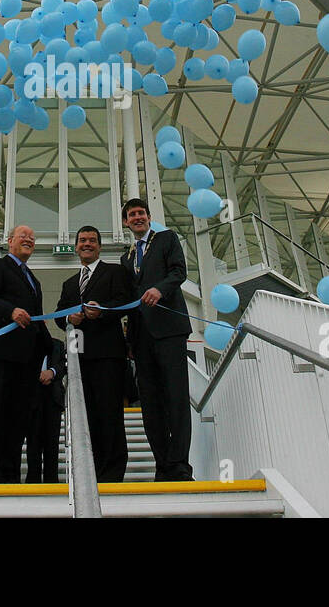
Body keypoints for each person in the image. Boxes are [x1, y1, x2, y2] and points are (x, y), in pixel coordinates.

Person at [0, 224, 53, 483]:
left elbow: (37, 319)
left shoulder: (35, 280)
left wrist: (50, 345)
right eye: (23, 236)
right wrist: (11, 311)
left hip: (25, 361)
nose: (29, 240)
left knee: (18, 417)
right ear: (9, 241)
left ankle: (9, 472)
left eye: (32, 237)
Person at [55, 224, 135, 482]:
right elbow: (58, 316)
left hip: (108, 356)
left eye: (91, 240)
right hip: (79, 360)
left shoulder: (114, 272)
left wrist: (103, 310)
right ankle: (92, 471)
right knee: (87, 416)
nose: (86, 244)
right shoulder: (68, 284)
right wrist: (69, 317)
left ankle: (112, 472)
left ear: (99, 246)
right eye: (82, 240)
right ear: (76, 246)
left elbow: (125, 303)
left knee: (109, 414)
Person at [120, 198, 192, 481]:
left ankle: (180, 465)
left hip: (169, 331)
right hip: (141, 339)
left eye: (141, 213)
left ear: (149, 217)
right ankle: (162, 465)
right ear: (126, 222)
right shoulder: (126, 257)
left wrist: (160, 290)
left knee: (176, 398)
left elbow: (178, 272)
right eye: (131, 215)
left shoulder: (166, 239)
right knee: (150, 405)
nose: (137, 217)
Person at [24, 334, 65, 483]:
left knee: (52, 443)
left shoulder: (58, 345)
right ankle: (32, 481)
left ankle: (52, 480)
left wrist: (52, 372)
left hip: (52, 398)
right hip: (31, 398)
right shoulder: (25, 344)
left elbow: (64, 365)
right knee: (33, 442)